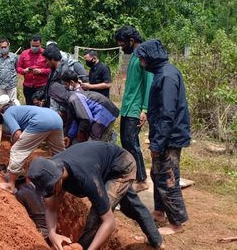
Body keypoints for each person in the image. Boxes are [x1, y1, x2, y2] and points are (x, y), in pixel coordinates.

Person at [28, 141, 164, 250]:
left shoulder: (85, 178)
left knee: (97, 216)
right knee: (130, 206)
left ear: (58, 178)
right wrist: (52, 234)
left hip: (121, 165)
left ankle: (81, 247)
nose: (50, 192)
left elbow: (109, 222)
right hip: (100, 165)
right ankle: (157, 241)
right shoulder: (49, 171)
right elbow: (51, 207)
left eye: (50, 188)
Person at [135, 39, 191, 235]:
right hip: (163, 134)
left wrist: (158, 143)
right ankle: (159, 211)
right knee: (156, 174)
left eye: (142, 59)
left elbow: (168, 113)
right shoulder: (163, 73)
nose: (141, 63)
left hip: (170, 137)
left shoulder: (167, 77)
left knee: (167, 177)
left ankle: (177, 223)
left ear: (150, 58)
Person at [114, 26, 152, 192]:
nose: (122, 48)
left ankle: (142, 179)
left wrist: (145, 108)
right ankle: (132, 174)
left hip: (136, 108)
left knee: (132, 142)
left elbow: (148, 83)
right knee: (126, 141)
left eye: (123, 44)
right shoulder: (134, 57)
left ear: (131, 41)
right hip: (127, 108)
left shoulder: (144, 56)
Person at [0, 103, 65, 192]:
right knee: (59, 153)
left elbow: (17, 134)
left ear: (2, 113)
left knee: (16, 150)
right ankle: (63, 181)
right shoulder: (21, 109)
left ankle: (10, 185)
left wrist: (16, 148)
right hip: (57, 119)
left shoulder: (7, 113)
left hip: (41, 121)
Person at [49, 82, 119, 147]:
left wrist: (81, 131)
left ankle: (110, 145)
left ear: (57, 96)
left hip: (105, 112)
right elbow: (76, 119)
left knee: (95, 142)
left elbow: (86, 118)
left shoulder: (73, 98)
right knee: (91, 139)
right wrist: (69, 136)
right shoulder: (70, 99)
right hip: (101, 111)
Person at [17, 35, 50, 105]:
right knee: (29, 105)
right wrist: (24, 71)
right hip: (28, 86)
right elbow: (18, 68)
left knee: (41, 106)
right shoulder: (24, 54)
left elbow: (51, 69)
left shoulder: (46, 54)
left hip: (41, 86)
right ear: (30, 44)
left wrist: (41, 71)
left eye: (37, 46)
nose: (34, 47)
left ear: (41, 44)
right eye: (33, 46)